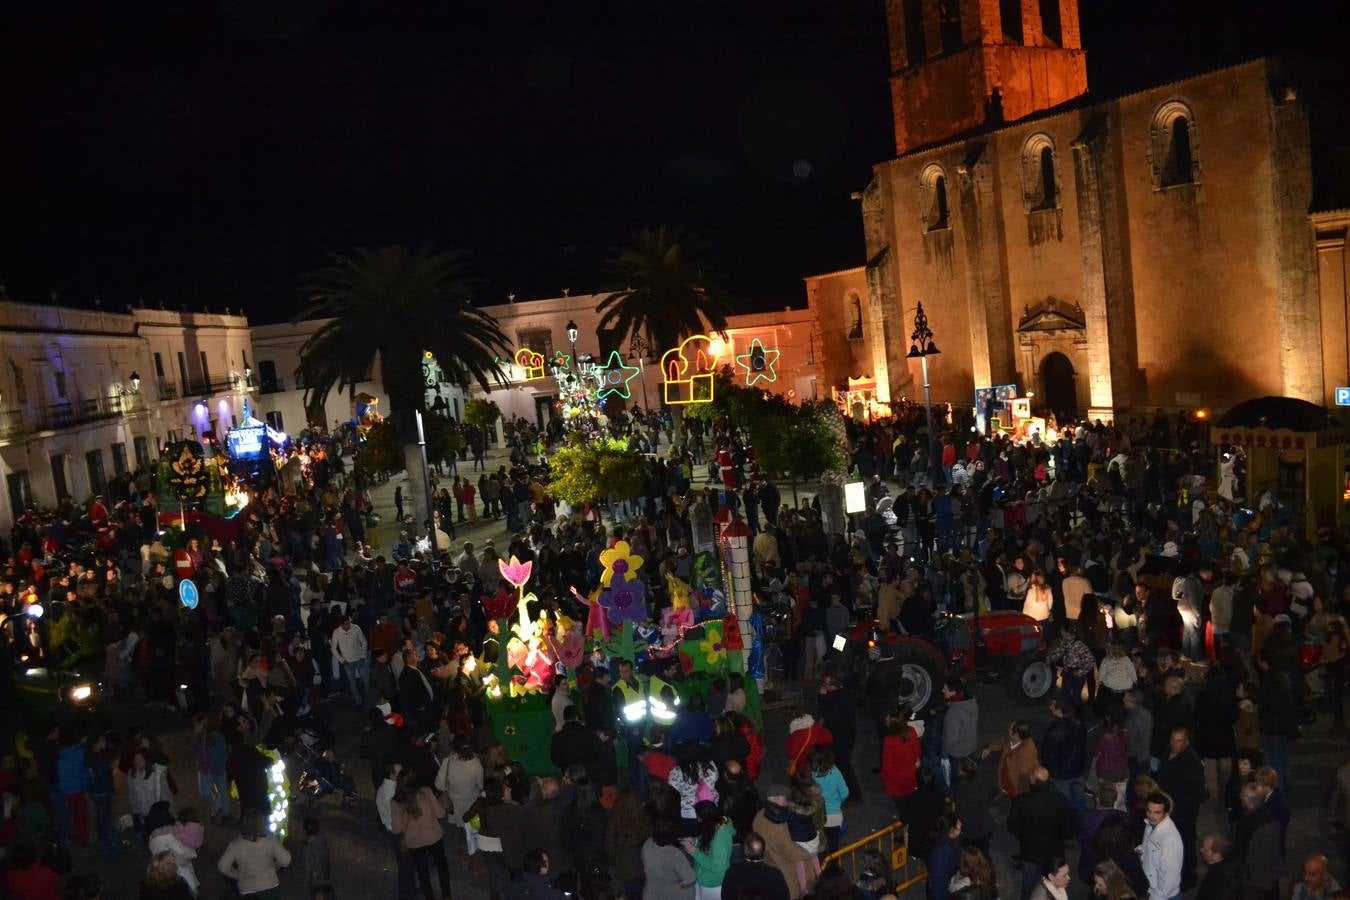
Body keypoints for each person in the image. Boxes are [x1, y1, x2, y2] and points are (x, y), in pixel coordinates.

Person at [1007, 767, 1076, 900]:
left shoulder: (1021, 801)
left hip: (1030, 853)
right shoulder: (1059, 799)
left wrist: (1023, 837)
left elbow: (1012, 826)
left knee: (1029, 885)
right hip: (1055, 854)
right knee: (1055, 885)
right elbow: (1070, 826)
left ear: (1032, 781)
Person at [1153, 727, 1203, 892]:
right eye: (1173, 739)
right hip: (1170, 808)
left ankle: (1187, 878)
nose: (1174, 743)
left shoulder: (1191, 761)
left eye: (1179, 740)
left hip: (1182, 813)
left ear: (1186, 742)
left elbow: (1195, 792)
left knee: (1184, 845)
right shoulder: (1168, 751)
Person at [390, 770, 453, 900]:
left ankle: (430, 897)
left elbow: (396, 829)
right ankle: (447, 895)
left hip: (414, 842)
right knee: (442, 865)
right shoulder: (425, 792)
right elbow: (440, 814)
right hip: (434, 837)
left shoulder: (395, 801)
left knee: (422, 872)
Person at [217, 808, 293, 899]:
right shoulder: (270, 841)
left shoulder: (236, 844)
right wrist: (275, 866)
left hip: (248, 891)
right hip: (270, 886)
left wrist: (238, 874)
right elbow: (286, 860)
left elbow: (222, 867)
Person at [1234, 783, 1282, 900]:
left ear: (1248, 800)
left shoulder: (1251, 823)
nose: (1239, 796)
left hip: (1256, 877)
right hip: (1269, 870)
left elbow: (1246, 851)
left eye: (1242, 794)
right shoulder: (1269, 815)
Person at [1041, 697, 1087, 816]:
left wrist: (1046, 768)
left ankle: (1069, 824)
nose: (1050, 707)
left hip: (1061, 773)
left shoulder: (1055, 730)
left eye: (1052, 705)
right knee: (1079, 799)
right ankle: (1081, 821)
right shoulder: (1079, 724)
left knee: (1064, 801)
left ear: (1059, 710)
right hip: (1078, 769)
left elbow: (1049, 753)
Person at [1137, 792, 1182, 900]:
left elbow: (1169, 878)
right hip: (1151, 889)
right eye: (1149, 811)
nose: (1151, 816)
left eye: (1157, 812)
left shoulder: (1170, 840)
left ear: (1166, 814)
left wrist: (1155, 897)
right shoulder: (1150, 825)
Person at [721, 832, 790, 900]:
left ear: (745, 850)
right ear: (763, 851)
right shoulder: (775, 875)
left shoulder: (732, 872)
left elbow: (725, 897)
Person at [881, 706, 922, 817]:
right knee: (912, 803)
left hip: (897, 781)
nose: (886, 718)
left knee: (902, 807)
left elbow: (887, 767)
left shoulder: (889, 741)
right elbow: (918, 752)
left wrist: (885, 778)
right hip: (912, 776)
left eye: (888, 717)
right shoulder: (911, 731)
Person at [980, 720, 1038, 798]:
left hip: (1014, 791)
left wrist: (1019, 795)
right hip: (1005, 785)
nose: (1008, 730)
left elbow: (1025, 779)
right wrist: (991, 748)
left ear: (1017, 735)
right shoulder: (1016, 738)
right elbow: (1005, 742)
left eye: (1010, 729)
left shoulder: (1027, 754)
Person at [641, 819, 696, 900]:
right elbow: (691, 879)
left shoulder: (647, 844)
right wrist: (679, 886)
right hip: (670, 894)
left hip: (651, 892)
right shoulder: (674, 854)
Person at [690, 800, 734, 900]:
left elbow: (717, 866)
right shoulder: (712, 826)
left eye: (699, 817)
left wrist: (694, 852)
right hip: (703, 876)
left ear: (707, 818)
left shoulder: (720, 837)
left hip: (713, 883)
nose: (698, 820)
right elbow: (707, 840)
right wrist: (696, 841)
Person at [1194, 833, 1244, 900]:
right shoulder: (1232, 863)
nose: (1201, 850)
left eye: (1206, 850)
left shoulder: (1219, 877)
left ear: (1217, 855)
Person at [925, 813, 962, 900]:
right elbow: (938, 881)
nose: (961, 824)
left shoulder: (953, 840)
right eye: (958, 823)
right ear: (952, 829)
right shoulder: (941, 852)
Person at [303, 816, 332, 892]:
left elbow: (309, 867)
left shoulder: (309, 849)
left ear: (305, 831)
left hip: (317, 875)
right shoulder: (321, 839)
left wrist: (306, 882)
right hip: (324, 872)